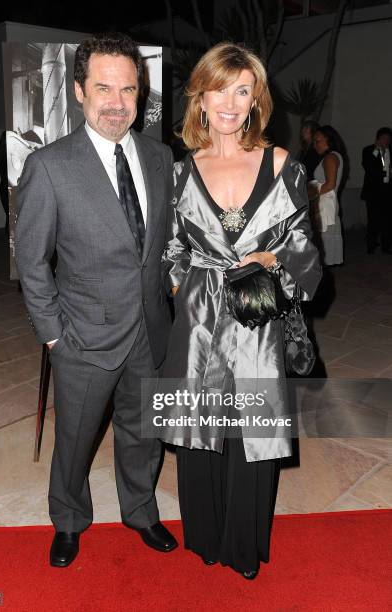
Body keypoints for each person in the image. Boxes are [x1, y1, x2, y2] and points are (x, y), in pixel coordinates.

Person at [15, 32, 177, 568]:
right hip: (82, 335)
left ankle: (140, 510)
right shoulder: (51, 166)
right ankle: (68, 518)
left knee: (143, 431)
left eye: (128, 89)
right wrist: (53, 332)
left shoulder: (158, 156)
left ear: (141, 94)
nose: (117, 102)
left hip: (150, 328)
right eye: (104, 87)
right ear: (80, 91)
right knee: (76, 440)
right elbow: (31, 260)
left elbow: (163, 241)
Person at [160, 42, 321, 579]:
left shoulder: (281, 165)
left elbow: (306, 251)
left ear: (256, 101)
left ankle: (243, 546)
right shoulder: (181, 173)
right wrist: (191, 295)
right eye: (218, 90)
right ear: (199, 99)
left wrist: (272, 257)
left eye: (242, 91)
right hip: (200, 325)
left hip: (260, 323)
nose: (230, 103)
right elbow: (172, 253)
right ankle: (204, 538)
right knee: (201, 433)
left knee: (251, 433)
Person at [310, 125, 345, 265]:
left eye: (318, 141)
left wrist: (309, 194)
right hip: (327, 204)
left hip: (325, 205)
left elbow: (330, 184)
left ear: (328, 140)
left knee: (322, 245)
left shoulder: (330, 157)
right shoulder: (332, 157)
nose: (315, 145)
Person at [361, 127, 392, 254]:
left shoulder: (391, 151)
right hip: (374, 192)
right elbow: (368, 164)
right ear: (378, 139)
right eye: (384, 138)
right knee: (373, 220)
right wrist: (377, 149)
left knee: (388, 220)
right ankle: (371, 246)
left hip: (388, 190)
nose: (387, 141)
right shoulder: (369, 150)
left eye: (389, 139)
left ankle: (386, 246)